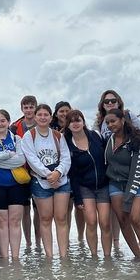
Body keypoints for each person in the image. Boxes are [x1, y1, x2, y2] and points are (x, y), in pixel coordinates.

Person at [21, 104, 71, 259]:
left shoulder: (58, 135)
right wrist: (49, 176)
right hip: (40, 181)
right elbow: (32, 160)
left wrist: (58, 173)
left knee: (61, 218)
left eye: (46, 115)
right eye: (40, 115)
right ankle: (49, 256)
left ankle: (63, 256)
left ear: (51, 117)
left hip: (61, 181)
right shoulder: (29, 136)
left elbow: (66, 157)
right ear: (35, 117)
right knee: (45, 218)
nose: (43, 117)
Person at [103, 109, 140, 262]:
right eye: (107, 123)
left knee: (136, 218)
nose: (111, 125)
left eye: (113, 121)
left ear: (123, 120)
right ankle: (138, 257)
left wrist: (129, 197)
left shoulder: (138, 139)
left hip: (139, 183)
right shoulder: (109, 139)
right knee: (123, 221)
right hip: (116, 184)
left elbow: (137, 170)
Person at [64, 109, 111, 259]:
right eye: (72, 121)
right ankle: (94, 256)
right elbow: (73, 175)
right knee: (91, 221)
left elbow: (109, 157)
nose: (75, 123)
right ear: (68, 125)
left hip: (103, 185)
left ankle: (108, 257)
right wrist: (77, 198)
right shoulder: (67, 144)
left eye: (78, 120)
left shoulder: (96, 136)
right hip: (85, 188)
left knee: (104, 222)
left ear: (83, 122)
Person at [0, 109, 27, 260]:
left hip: (16, 185)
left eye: (3, 121)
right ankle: (4, 257)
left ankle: (15, 257)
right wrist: (8, 154)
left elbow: (20, 160)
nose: (0, 124)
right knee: (1, 222)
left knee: (15, 221)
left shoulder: (16, 139)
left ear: (8, 122)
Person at [11, 94, 40, 249]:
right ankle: (28, 243)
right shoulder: (15, 127)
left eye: (31, 107)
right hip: (21, 173)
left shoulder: (42, 123)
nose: (29, 110)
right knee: (25, 210)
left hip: (39, 173)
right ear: (22, 109)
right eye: (26, 107)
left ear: (35, 107)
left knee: (39, 210)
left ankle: (38, 242)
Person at [53, 100, 84, 244]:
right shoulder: (51, 128)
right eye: (61, 111)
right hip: (59, 172)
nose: (64, 114)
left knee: (78, 205)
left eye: (67, 111)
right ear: (56, 113)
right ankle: (66, 238)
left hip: (76, 171)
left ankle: (80, 237)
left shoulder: (75, 126)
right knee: (65, 208)